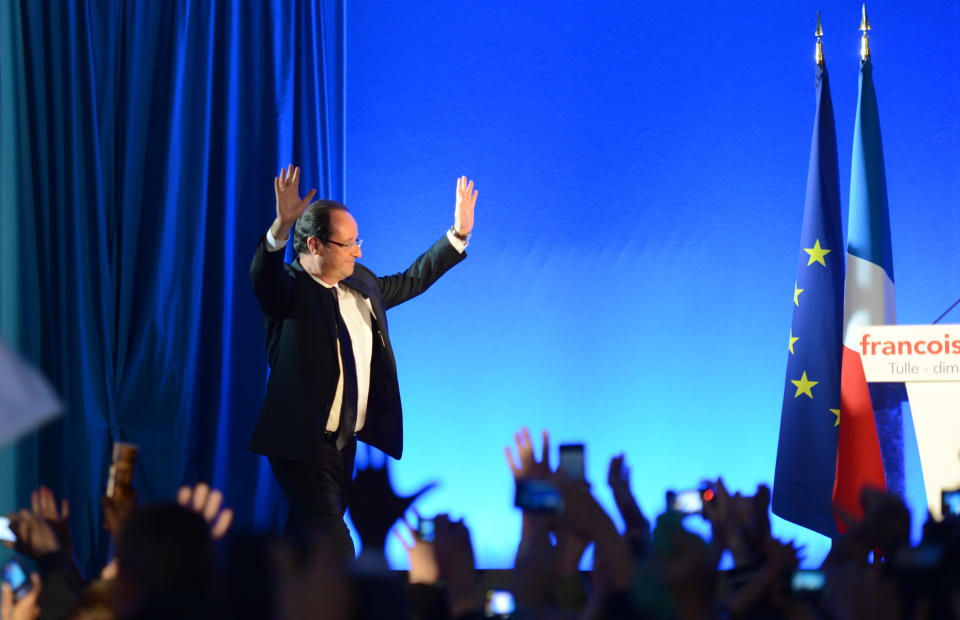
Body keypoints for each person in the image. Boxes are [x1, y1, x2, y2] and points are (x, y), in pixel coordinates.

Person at [249, 164, 477, 562]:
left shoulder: (361, 282)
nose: (358, 250)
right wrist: (280, 229)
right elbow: (262, 278)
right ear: (316, 246)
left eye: (358, 241)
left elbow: (411, 280)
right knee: (338, 547)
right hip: (302, 443)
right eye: (348, 243)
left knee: (305, 543)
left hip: (344, 445)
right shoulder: (287, 290)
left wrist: (457, 235)